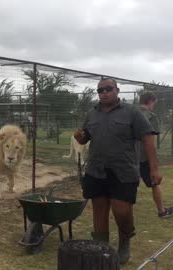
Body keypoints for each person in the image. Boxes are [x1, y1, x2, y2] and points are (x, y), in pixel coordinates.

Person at [74, 78, 162, 265]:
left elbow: (148, 140)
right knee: (99, 208)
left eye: (108, 89)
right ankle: (101, 249)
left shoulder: (132, 112)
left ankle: (125, 239)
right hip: (96, 169)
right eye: (100, 90)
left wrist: (154, 169)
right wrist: (80, 137)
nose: (104, 93)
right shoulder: (91, 113)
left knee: (121, 211)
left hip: (123, 171)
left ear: (117, 90)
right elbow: (85, 138)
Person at [138, 91, 173, 218]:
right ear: (151, 101)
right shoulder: (151, 116)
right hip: (144, 156)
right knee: (155, 183)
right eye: (154, 103)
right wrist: (154, 162)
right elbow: (150, 141)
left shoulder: (131, 113)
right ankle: (161, 211)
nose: (154, 106)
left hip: (129, 156)